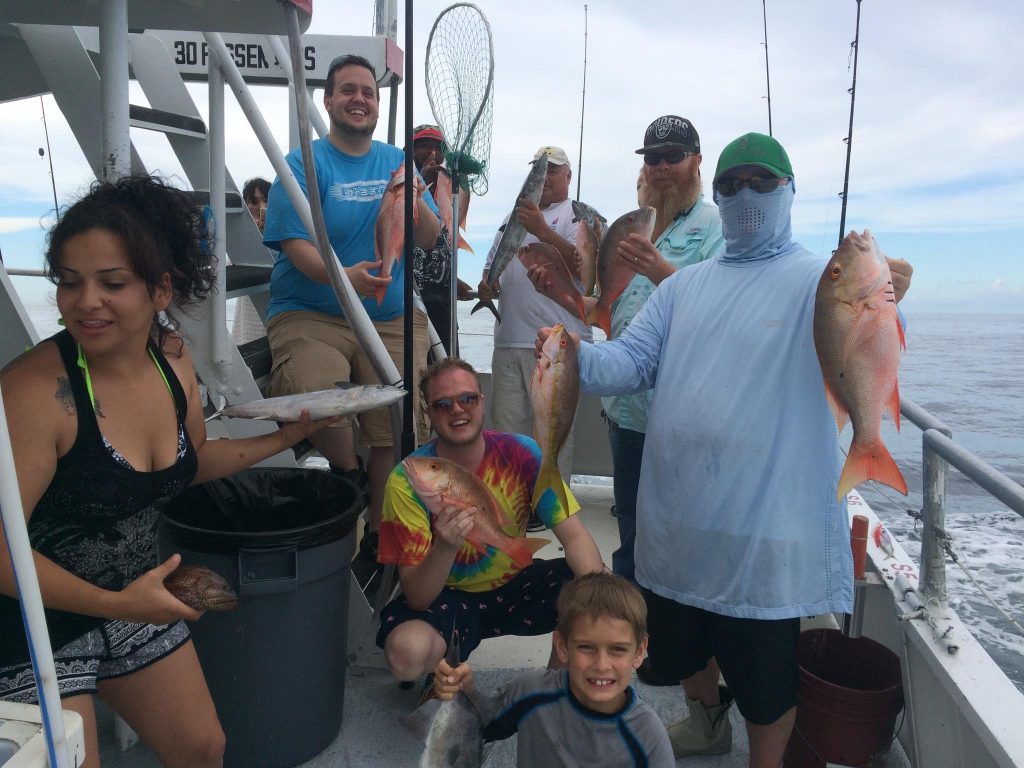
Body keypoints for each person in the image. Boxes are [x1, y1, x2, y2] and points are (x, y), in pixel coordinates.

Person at [537, 133, 913, 768]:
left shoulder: (819, 282)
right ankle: (706, 723)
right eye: (731, 185)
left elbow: (871, 336)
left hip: (764, 523)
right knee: (681, 648)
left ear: (790, 191)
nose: (746, 195)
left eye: (762, 183)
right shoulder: (684, 288)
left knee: (765, 681)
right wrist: (572, 357)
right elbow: (627, 363)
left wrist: (891, 292)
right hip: (679, 515)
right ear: (715, 194)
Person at [0, 175, 337, 768]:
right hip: (28, 624)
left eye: (112, 283)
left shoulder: (172, 359)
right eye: (69, 283)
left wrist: (283, 437)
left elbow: (188, 464)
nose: (86, 302)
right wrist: (123, 606)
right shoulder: (34, 392)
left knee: (203, 748)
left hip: (132, 596)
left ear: (161, 289)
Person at [261, 55, 441, 589]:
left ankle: (380, 543)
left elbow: (430, 238)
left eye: (368, 91)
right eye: (348, 90)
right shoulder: (301, 166)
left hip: (388, 313)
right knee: (314, 390)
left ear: (377, 104)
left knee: (394, 429)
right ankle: (347, 472)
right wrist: (348, 281)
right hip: (314, 309)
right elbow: (296, 247)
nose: (359, 98)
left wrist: (415, 197)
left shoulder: (396, 163)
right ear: (329, 100)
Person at [375, 357, 604, 686]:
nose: (457, 410)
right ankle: (442, 668)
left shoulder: (525, 453)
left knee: (597, 584)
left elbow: (576, 537)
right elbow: (418, 597)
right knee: (405, 656)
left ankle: (554, 688)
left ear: (482, 401)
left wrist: (603, 597)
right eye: (443, 404)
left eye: (467, 398)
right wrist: (446, 545)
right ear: (428, 412)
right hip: (446, 594)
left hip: (516, 582)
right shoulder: (405, 480)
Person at [432, 572, 674, 768]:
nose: (601, 665)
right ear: (562, 646)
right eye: (586, 647)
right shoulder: (531, 690)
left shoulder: (647, 734)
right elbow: (483, 726)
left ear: (640, 651)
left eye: (618, 649)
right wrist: (465, 689)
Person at [476, 146, 594, 490]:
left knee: (554, 435)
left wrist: (541, 228)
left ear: (568, 176)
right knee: (508, 432)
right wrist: (487, 286)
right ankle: (515, 505)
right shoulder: (510, 220)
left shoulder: (580, 216)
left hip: (558, 346)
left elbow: (584, 268)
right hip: (508, 340)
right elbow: (492, 271)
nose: (545, 179)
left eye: (553, 171)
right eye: (539, 173)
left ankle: (555, 506)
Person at [410, 124, 472, 356]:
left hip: (443, 299)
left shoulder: (449, 188)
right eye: (424, 146)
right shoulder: (398, 185)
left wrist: (453, 279)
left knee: (445, 364)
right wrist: (420, 179)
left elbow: (443, 240)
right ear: (410, 150)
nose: (431, 152)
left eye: (437, 147)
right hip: (411, 297)